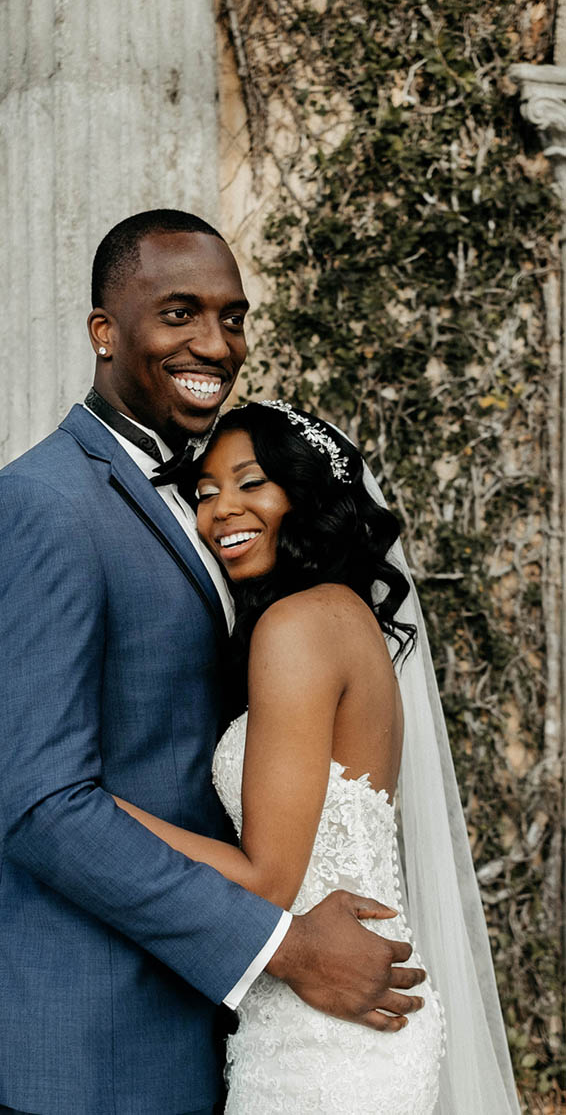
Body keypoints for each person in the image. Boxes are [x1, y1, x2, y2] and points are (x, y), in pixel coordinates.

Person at [0, 210, 426, 1115]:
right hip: (90, 1045)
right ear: (104, 331)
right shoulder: (38, 509)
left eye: (233, 316)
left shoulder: (228, 519)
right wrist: (281, 946)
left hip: (221, 1035)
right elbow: (42, 808)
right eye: (179, 313)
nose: (217, 341)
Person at [114, 400, 521, 1113]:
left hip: (331, 1039)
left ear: (304, 493)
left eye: (250, 483)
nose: (221, 511)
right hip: (330, 1010)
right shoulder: (341, 617)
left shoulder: (297, 627)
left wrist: (95, 811)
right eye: (206, 493)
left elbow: (266, 878)